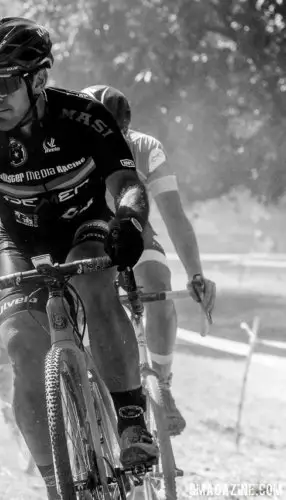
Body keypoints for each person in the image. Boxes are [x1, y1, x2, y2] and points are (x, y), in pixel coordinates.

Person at [0, 17, 158, 496]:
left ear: (37, 79)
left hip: (87, 226)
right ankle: (57, 483)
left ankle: (132, 417)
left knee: (97, 288)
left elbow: (127, 185)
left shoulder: (86, 118)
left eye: (2, 84)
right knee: (19, 345)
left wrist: (131, 221)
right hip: (21, 243)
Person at [82, 84, 217, 436]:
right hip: (84, 235)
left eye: (118, 135)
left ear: (128, 130)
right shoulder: (64, 148)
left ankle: (163, 381)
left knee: (157, 285)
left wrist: (196, 273)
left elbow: (174, 215)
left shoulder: (146, 149)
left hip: (133, 229)